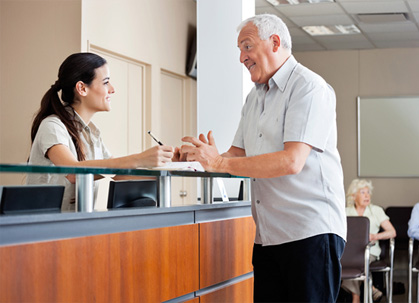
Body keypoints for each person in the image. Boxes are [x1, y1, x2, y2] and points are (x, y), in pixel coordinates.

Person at [180, 14, 346, 302]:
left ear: (275, 43)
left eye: (247, 47)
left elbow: (291, 161)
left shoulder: (309, 88)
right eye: (239, 49)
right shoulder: (254, 97)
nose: (241, 57)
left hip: (310, 233)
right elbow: (236, 156)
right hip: (268, 237)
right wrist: (198, 158)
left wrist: (219, 163)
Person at [27, 52, 175, 211]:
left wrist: (170, 165)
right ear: (82, 88)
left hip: (75, 224)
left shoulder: (92, 133)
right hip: (43, 226)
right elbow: (73, 172)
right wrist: (139, 159)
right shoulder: (52, 126)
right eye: (106, 82)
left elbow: (118, 174)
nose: (112, 89)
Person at [342, 179, 397, 303]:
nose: (367, 195)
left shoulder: (376, 211)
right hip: (348, 253)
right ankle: (370, 287)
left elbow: (392, 232)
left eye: (368, 192)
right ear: (353, 196)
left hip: (370, 251)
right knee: (348, 261)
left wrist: (374, 236)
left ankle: (355, 298)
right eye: (362, 192)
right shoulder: (345, 212)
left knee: (357, 261)